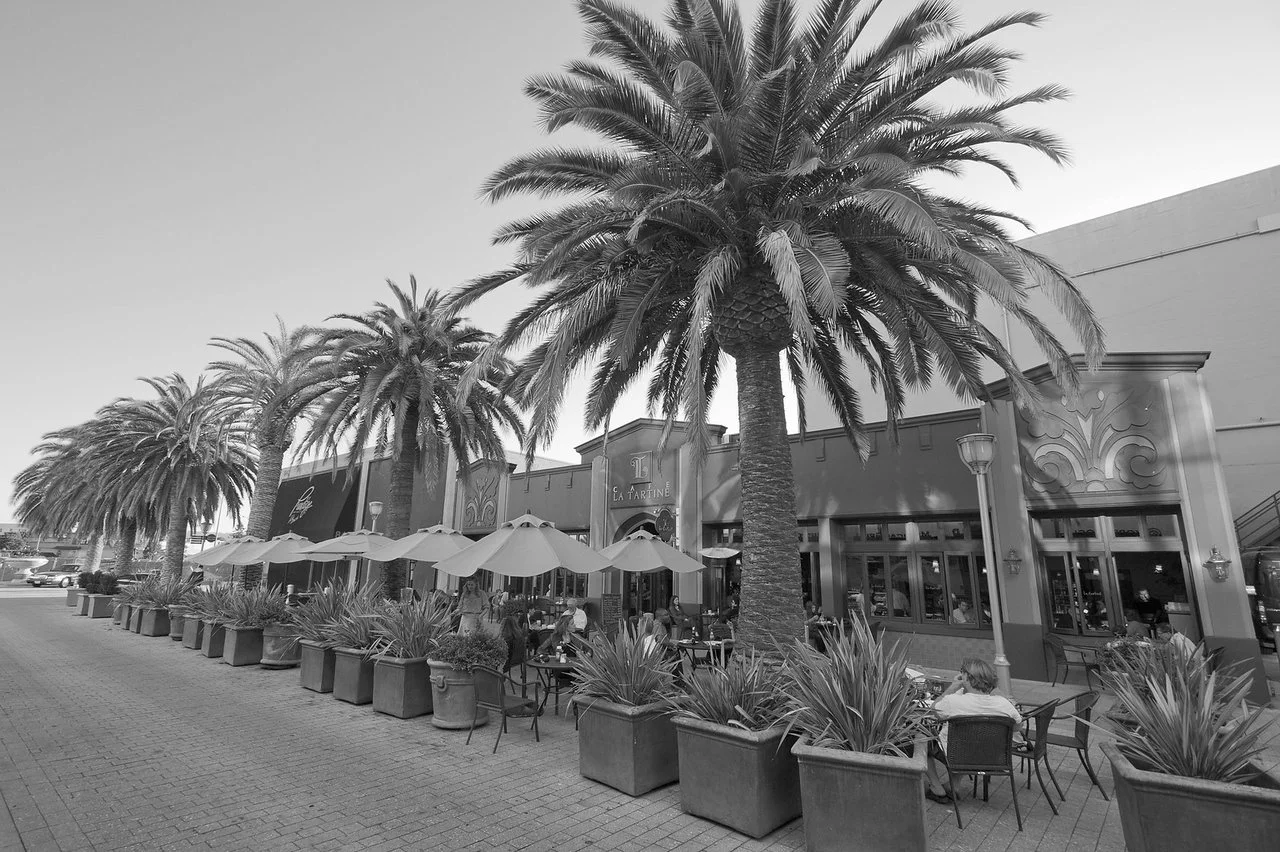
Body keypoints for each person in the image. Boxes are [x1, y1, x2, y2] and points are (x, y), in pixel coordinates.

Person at [925, 658, 1022, 803]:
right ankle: (954, 785)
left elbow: (933, 710)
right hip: (992, 758)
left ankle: (936, 786)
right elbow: (1016, 727)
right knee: (973, 742)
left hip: (957, 755)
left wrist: (953, 687)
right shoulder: (1004, 704)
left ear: (966, 677)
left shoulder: (953, 702)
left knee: (921, 738)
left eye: (962, 672)